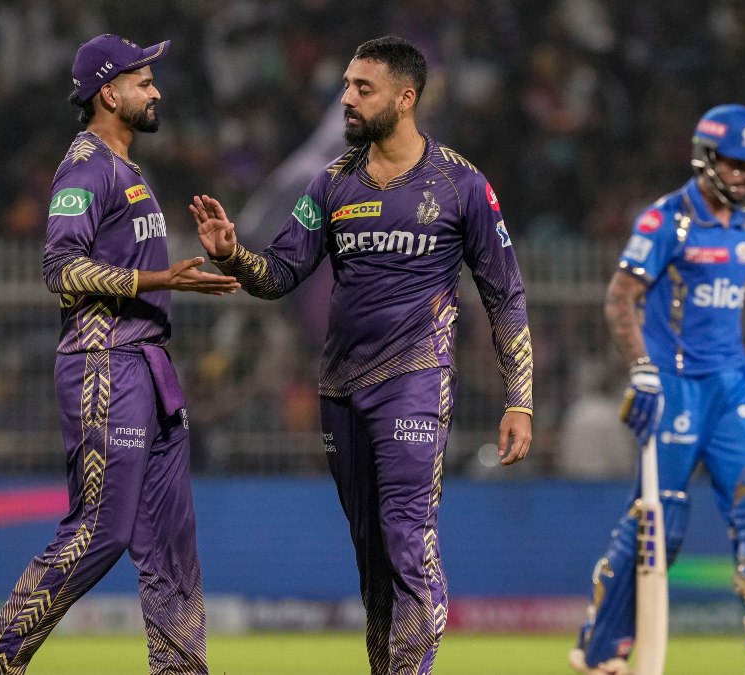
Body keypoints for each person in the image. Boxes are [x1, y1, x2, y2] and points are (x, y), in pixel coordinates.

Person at [190, 35, 533, 675]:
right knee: (373, 555)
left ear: (405, 99)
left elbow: (505, 294)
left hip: (416, 381)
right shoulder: (331, 184)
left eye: (362, 89)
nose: (346, 99)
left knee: (407, 537)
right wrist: (233, 255)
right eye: (346, 85)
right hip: (341, 390)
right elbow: (280, 275)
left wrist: (519, 399)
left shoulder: (461, 184)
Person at [0, 34, 240, 675]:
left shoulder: (126, 168)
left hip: (150, 368)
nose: (156, 91)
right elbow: (60, 268)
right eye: (144, 82)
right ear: (109, 92)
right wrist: (160, 280)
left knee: (171, 544)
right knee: (100, 530)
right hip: (104, 365)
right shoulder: (85, 167)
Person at [569, 105, 745, 675]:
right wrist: (642, 369)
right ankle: (599, 654)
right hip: (675, 387)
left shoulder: (743, 224)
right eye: (737, 164)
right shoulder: (666, 220)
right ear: (707, 158)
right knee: (657, 523)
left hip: (731, 384)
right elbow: (620, 298)